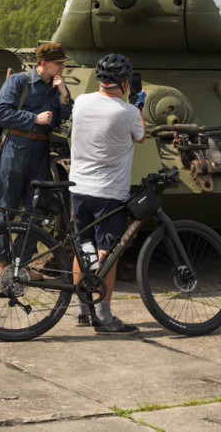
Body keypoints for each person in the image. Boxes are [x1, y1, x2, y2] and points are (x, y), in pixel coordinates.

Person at [69, 53, 146, 335]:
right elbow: (141, 136)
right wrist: (138, 107)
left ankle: (81, 310)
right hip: (108, 193)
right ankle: (103, 316)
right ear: (125, 83)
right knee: (107, 254)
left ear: (100, 80)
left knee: (84, 247)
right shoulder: (127, 113)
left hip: (78, 188)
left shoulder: (81, 102)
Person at [0, 43, 73, 274]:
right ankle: (0, 262)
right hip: (15, 149)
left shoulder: (56, 86)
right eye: (59, 63)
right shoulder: (18, 82)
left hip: (39, 151)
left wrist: (64, 93)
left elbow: (63, 116)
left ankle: (20, 264)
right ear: (44, 64)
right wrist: (33, 118)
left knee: (37, 210)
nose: (62, 67)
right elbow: (0, 113)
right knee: (5, 207)